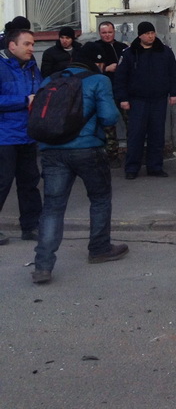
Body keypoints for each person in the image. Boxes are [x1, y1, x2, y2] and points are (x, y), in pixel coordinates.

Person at [31, 44, 126, 284]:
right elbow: (108, 117)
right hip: (87, 149)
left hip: (51, 151)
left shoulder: (49, 81)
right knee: (100, 198)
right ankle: (99, 249)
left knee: (52, 207)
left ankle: (42, 266)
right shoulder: (98, 80)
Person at [113, 22, 176, 178]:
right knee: (136, 135)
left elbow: (173, 73)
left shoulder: (164, 52)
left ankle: (155, 167)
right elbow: (120, 78)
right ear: (140, 35)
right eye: (147, 33)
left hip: (159, 99)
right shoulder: (129, 53)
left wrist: (175, 93)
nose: (150, 36)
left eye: (152, 32)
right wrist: (123, 98)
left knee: (157, 134)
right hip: (137, 100)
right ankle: (132, 168)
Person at [0, 29, 43, 246]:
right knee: (2, 183)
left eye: (33, 44)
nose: (32, 48)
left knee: (29, 183)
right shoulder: (1, 66)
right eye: (27, 44)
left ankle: (31, 226)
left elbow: (41, 93)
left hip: (27, 135)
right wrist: (24, 100)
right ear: (12, 46)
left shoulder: (32, 67)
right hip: (4, 137)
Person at [91, 20, 128, 165]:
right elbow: (90, 69)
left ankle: (133, 153)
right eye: (104, 32)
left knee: (130, 122)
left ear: (114, 32)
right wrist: (106, 68)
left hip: (123, 91)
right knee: (108, 125)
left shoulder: (123, 47)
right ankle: (111, 155)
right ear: (99, 33)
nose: (107, 35)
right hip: (105, 92)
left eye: (110, 32)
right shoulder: (95, 47)